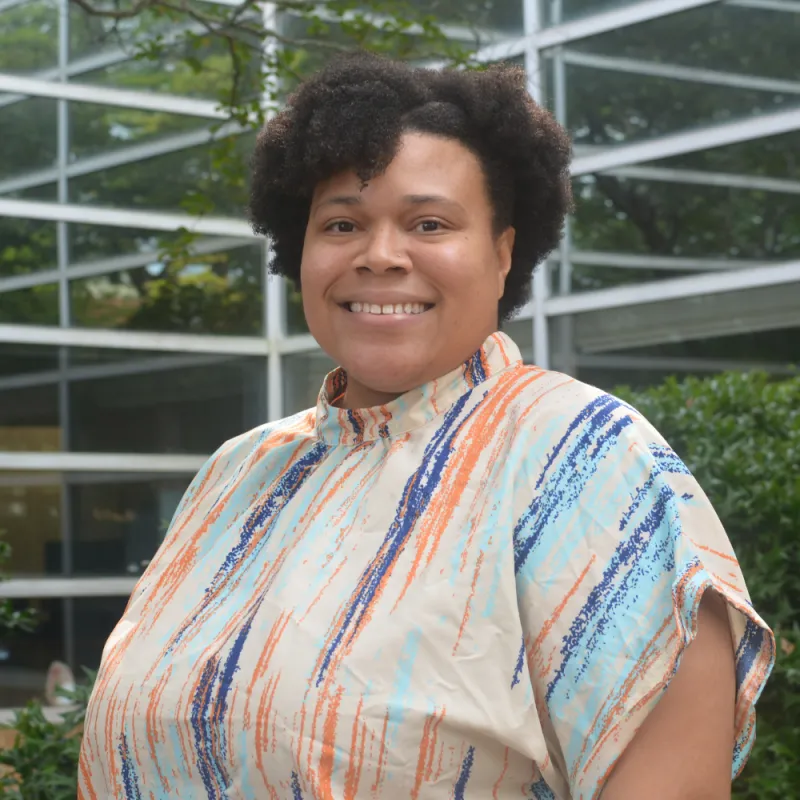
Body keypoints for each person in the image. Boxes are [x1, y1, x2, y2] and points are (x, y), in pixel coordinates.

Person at [78, 53, 774, 800]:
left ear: (503, 253)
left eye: (429, 222)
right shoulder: (238, 471)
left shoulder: (585, 458)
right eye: (342, 222)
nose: (380, 256)